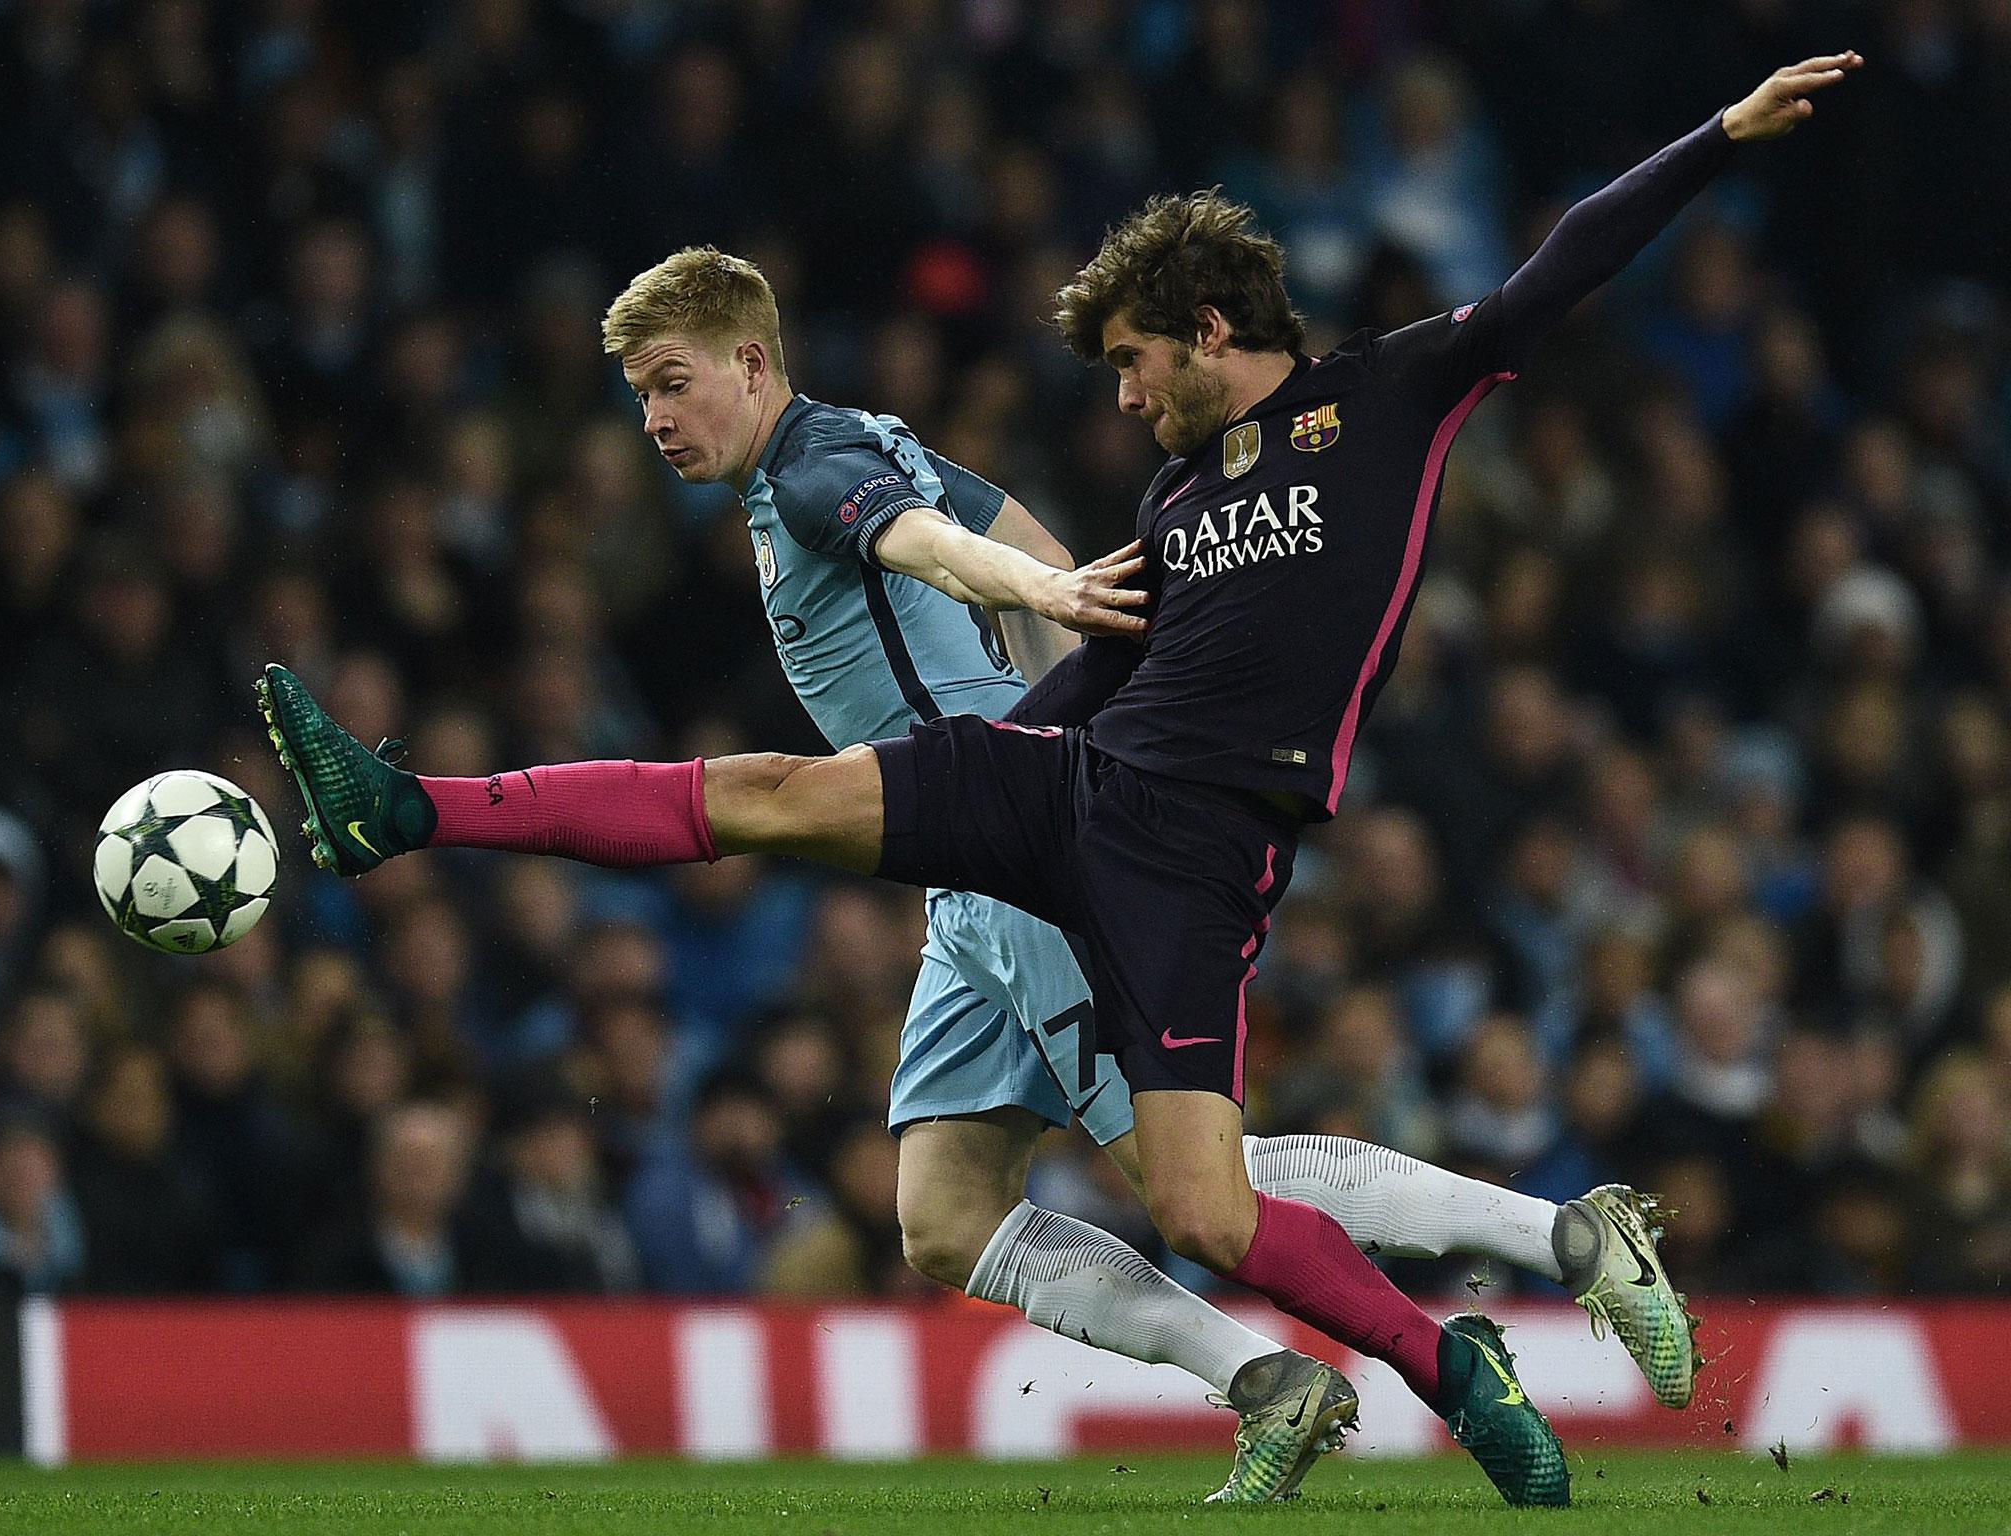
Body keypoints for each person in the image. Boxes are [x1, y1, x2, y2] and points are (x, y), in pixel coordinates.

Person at [256, 54, 1861, 1506]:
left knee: (1205, 1197)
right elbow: (1054, 580)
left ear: (1211, 336)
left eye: (1134, 361)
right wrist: (1036, 653)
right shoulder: (1170, 493)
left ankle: (1531, 1268)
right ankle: (413, 811)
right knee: (939, 1197)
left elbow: (1545, 274)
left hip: (1169, 847)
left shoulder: (1374, 399)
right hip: (1033, 796)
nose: (1120, 396)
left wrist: (1716, 136)